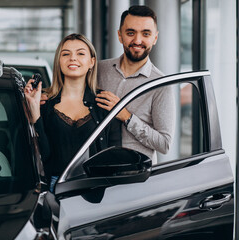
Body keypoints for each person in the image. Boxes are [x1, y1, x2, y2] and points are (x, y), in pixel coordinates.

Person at [25, 33, 122, 192]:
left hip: (97, 189)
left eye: (80, 53)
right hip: (55, 189)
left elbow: (114, 155)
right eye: (66, 54)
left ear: (91, 62)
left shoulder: (105, 103)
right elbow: (43, 157)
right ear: (59, 62)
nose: (72, 58)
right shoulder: (44, 103)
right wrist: (34, 111)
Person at [95, 5, 175, 164]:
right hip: (96, 171)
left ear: (155, 38)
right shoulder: (99, 70)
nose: (137, 41)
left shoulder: (160, 84)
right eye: (130, 33)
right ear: (120, 35)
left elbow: (164, 144)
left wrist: (126, 116)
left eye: (146, 34)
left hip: (136, 179)